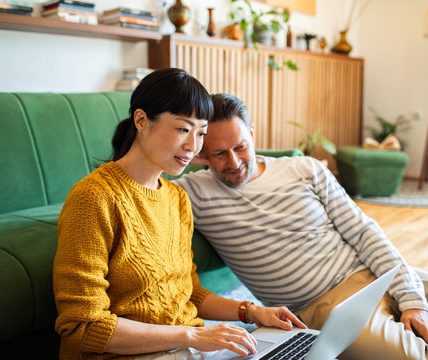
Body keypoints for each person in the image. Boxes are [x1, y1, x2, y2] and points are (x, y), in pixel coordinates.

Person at [174, 93, 428, 360]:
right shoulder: (194, 193)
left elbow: (364, 231)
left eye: (240, 147)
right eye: (218, 154)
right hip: (321, 304)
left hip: (372, 273)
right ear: (201, 151)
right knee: (409, 355)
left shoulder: (305, 169)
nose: (233, 163)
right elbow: (140, 179)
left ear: (252, 133)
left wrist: (411, 300)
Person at [53, 70, 306, 360]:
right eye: (183, 129)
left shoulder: (176, 198)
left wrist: (251, 311)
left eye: (200, 133)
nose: (193, 146)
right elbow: (83, 325)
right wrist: (194, 336)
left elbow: (189, 293)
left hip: (186, 348)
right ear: (141, 121)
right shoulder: (93, 198)